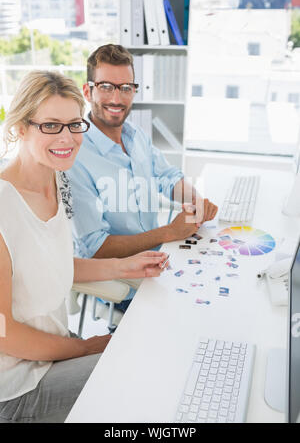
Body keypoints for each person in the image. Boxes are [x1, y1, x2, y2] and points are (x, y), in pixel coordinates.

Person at [0, 70, 168, 424]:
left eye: (74, 124)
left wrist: (126, 266)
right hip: (16, 387)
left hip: (53, 350)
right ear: (19, 128)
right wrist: (85, 348)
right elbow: (4, 334)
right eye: (51, 125)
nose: (67, 138)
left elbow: (50, 263)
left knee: (154, 345)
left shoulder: (57, 177)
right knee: (146, 381)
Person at [68, 44, 218, 310]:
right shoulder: (75, 158)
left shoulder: (135, 135)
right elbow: (95, 248)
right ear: (87, 90)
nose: (117, 98)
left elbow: (168, 176)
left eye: (125, 88)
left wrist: (196, 202)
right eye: (106, 86)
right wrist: (169, 231)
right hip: (124, 284)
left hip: (161, 260)